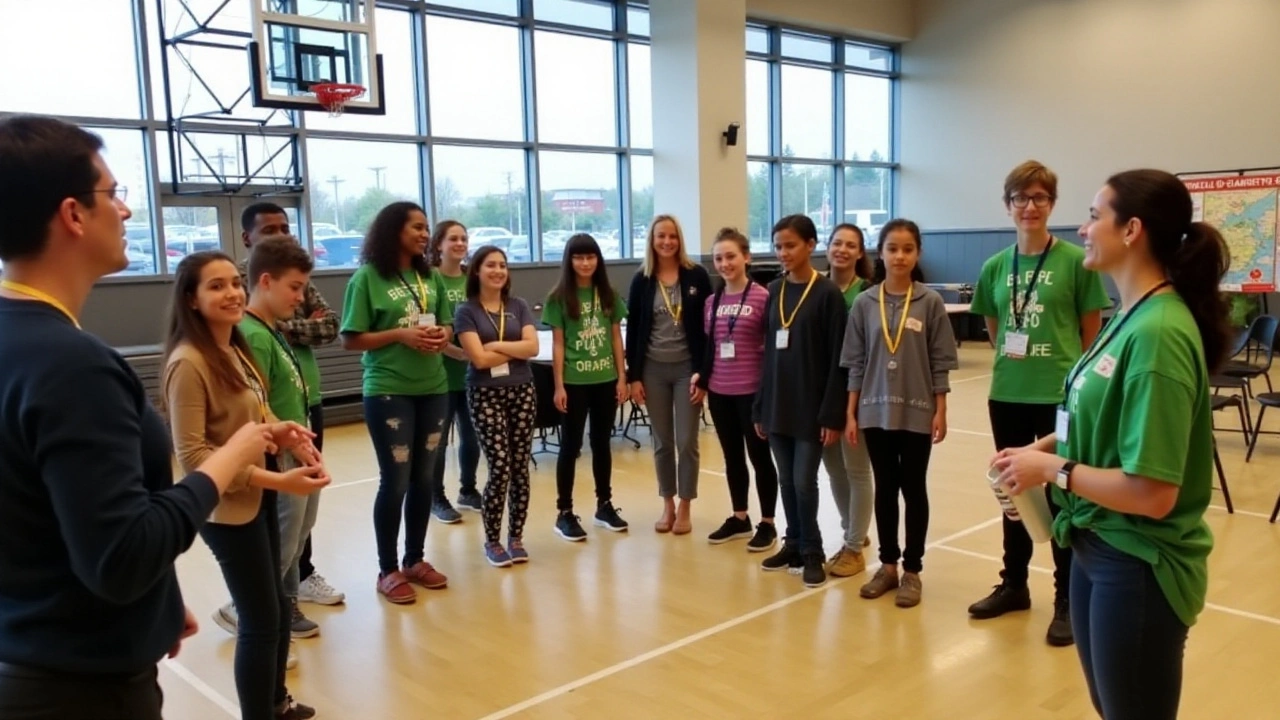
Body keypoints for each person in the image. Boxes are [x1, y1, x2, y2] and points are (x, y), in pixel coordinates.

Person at [0, 115, 270, 720]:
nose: (124, 211)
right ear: (73, 214)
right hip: (78, 688)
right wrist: (232, 455)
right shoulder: (72, 366)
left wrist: (158, 598)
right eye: (113, 195)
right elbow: (119, 558)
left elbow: (49, 515)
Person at [994, 169, 1227, 720]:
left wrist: (1052, 469)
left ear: (1132, 230)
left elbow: (1152, 493)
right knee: (1111, 705)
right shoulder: (1128, 315)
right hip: (1094, 544)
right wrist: (1033, 452)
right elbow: (1086, 417)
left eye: (1096, 215)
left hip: (1138, 561)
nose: (1084, 226)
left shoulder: (1158, 334)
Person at [163, 250, 329, 720]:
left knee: (275, 608)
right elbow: (193, 455)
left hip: (257, 496)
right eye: (216, 286)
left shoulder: (235, 347)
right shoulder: (188, 362)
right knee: (258, 619)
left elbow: (258, 409)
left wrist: (285, 433)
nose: (233, 292)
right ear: (191, 300)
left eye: (235, 282)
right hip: (225, 510)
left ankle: (277, 702)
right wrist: (275, 476)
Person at [967, 161, 1110, 646]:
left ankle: (1066, 597)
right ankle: (1013, 584)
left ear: (1051, 203)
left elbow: (1090, 333)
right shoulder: (994, 267)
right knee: (1013, 496)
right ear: (1007, 205)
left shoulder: (1075, 261)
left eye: (1039, 198)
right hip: (1007, 392)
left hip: (1057, 396)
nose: (1030, 207)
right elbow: (994, 330)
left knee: (1058, 495)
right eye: (1021, 198)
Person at [340, 201, 453, 604]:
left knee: (425, 478)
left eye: (426, 228)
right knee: (396, 479)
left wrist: (442, 333)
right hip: (389, 389)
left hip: (434, 387)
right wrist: (399, 335)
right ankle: (387, 569)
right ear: (394, 231)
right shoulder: (367, 278)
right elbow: (351, 338)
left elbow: (447, 320)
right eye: (417, 228)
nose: (425, 235)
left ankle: (415, 559)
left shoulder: (430, 277)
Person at [842, 220, 957, 608]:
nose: (900, 256)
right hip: (874, 411)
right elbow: (855, 363)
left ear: (918, 253)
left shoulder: (930, 302)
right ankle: (888, 566)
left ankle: (912, 571)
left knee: (914, 488)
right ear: (881, 253)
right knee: (885, 489)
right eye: (893, 248)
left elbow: (940, 362)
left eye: (908, 249)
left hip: (917, 411)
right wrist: (851, 413)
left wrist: (940, 410)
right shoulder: (863, 303)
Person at [238, 203, 345, 608]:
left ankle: (284, 612)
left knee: (301, 532)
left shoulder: (273, 327)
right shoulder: (255, 333)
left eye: (304, 289)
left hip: (300, 432)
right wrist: (288, 437)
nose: (302, 298)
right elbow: (257, 403)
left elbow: (328, 323)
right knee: (284, 536)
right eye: (295, 289)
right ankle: (250, 610)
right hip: (281, 444)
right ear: (264, 281)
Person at [753, 215, 848, 588]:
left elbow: (838, 359)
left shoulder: (827, 295)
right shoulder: (774, 289)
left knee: (804, 481)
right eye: (778, 246)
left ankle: (813, 551)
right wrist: (760, 405)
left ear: (810, 245)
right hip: (778, 403)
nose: (783, 252)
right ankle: (792, 543)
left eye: (790, 245)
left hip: (811, 407)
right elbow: (767, 354)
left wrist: (832, 413)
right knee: (786, 481)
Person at [625, 214, 713, 534]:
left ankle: (687, 503)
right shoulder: (642, 280)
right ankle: (668, 503)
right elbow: (633, 330)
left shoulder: (697, 276)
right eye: (661, 236)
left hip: (688, 370)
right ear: (652, 240)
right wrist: (634, 376)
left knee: (687, 440)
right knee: (662, 441)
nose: (666, 242)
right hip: (652, 370)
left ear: (679, 240)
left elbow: (709, 329)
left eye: (672, 236)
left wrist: (705, 374)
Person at [454, 246, 541, 567]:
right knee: (501, 467)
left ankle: (515, 536)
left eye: (502, 265)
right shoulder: (466, 311)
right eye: (490, 265)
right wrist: (515, 349)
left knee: (521, 468)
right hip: (485, 393)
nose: (498, 271)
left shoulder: (518, 306)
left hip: (522, 390)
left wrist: (496, 345)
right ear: (477, 271)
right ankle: (492, 540)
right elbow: (478, 359)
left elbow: (533, 347)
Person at [544, 233, 630, 541]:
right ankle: (564, 511)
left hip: (605, 380)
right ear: (569, 261)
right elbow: (558, 345)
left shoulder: (607, 293)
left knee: (602, 444)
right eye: (578, 257)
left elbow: (616, 338)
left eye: (590, 257)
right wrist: (558, 386)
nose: (584, 263)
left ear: (598, 259)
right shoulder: (559, 298)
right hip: (573, 382)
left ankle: (604, 504)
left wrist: (622, 377)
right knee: (570, 447)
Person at [700, 227, 778, 552]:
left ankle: (769, 523)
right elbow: (710, 347)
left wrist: (767, 395)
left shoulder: (764, 296)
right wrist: (702, 380)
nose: (724, 263)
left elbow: (773, 347)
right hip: (720, 392)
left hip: (753, 393)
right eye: (718, 258)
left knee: (760, 458)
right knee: (732, 458)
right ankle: (740, 516)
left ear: (746, 257)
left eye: (730, 256)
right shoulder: (711, 301)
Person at [820, 223, 876, 577]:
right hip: (822, 393)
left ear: (859, 252)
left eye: (850, 245)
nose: (842, 249)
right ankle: (852, 529)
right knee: (833, 467)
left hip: (858, 391)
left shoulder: (868, 294)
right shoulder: (816, 290)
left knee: (856, 468)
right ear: (827, 247)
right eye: (837, 243)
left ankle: (854, 546)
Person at [427, 220, 482, 521]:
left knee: (472, 438)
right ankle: (436, 496)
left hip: (472, 373)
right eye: (453, 239)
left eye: (464, 238)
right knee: (439, 441)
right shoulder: (431, 279)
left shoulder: (471, 279)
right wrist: (458, 352)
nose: (460, 244)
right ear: (439, 245)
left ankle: (468, 490)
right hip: (441, 373)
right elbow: (431, 326)